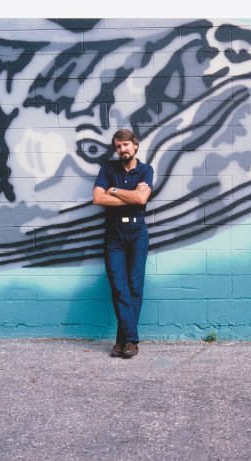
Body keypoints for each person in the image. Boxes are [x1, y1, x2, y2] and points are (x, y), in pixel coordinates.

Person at [93, 129, 154, 358]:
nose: (122, 150)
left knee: (134, 285)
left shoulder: (145, 170)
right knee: (119, 285)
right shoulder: (108, 169)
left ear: (135, 146)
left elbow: (141, 199)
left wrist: (115, 191)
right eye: (118, 147)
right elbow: (98, 198)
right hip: (114, 232)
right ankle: (130, 339)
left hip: (138, 231)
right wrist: (129, 196)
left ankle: (123, 341)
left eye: (126, 145)